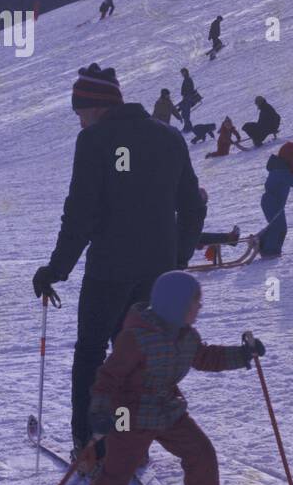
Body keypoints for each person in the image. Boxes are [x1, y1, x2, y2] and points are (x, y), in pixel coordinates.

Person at [31, 65, 204, 456]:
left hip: (110, 270)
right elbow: (192, 207)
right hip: (157, 272)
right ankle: (130, 440)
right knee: (134, 356)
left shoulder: (95, 140)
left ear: (96, 107)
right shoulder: (170, 137)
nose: (79, 120)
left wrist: (56, 269)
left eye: (80, 112)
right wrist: (176, 259)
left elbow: (81, 214)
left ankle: (92, 443)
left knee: (92, 354)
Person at [51, 272, 266, 485]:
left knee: (201, 452)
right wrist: (101, 412)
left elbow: (204, 357)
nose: (199, 308)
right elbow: (108, 377)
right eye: (195, 302)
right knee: (116, 474)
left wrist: (242, 355)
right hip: (127, 412)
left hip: (165, 406)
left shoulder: (186, 336)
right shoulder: (136, 339)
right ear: (176, 304)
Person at [177, 68, 202, 134]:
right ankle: (188, 126)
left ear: (186, 72)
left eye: (183, 72)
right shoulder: (186, 79)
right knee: (184, 113)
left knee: (186, 113)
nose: (182, 74)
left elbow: (190, 89)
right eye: (182, 72)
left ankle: (188, 127)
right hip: (186, 98)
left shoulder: (188, 79)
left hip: (188, 98)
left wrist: (185, 94)